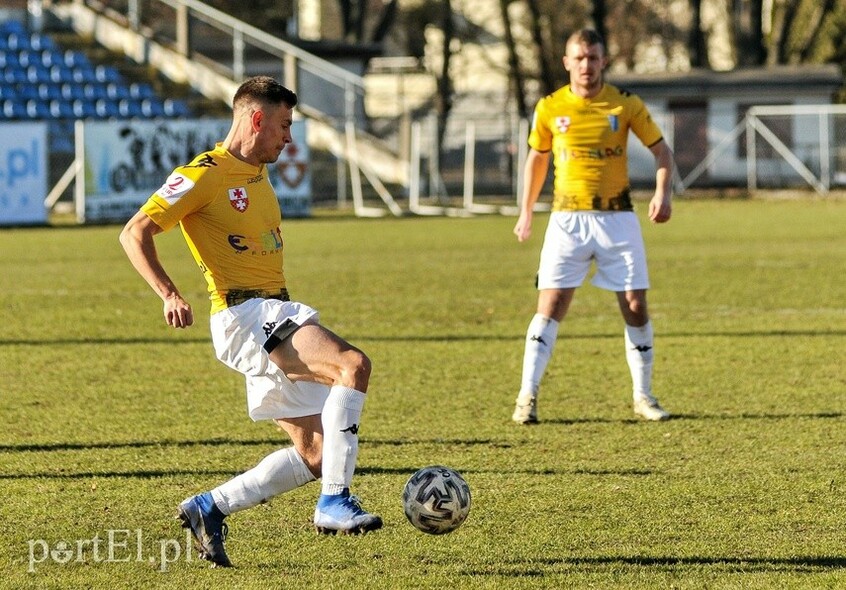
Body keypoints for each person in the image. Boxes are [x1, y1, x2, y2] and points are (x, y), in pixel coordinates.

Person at [119, 76, 382, 568]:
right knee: (352, 366)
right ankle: (334, 503)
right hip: (247, 313)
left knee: (317, 454)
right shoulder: (204, 174)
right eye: (283, 126)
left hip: (267, 311)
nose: (288, 138)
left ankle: (210, 507)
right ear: (255, 118)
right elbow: (134, 232)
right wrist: (169, 293)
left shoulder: (256, 173)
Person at [511, 28, 675, 425]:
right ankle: (526, 397)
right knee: (550, 307)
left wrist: (662, 193)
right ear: (567, 62)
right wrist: (526, 210)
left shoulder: (624, 105)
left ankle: (644, 396)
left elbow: (662, 151)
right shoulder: (550, 108)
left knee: (635, 306)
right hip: (567, 219)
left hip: (618, 217)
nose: (586, 65)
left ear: (604, 61)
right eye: (579, 58)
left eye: (593, 57)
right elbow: (537, 160)